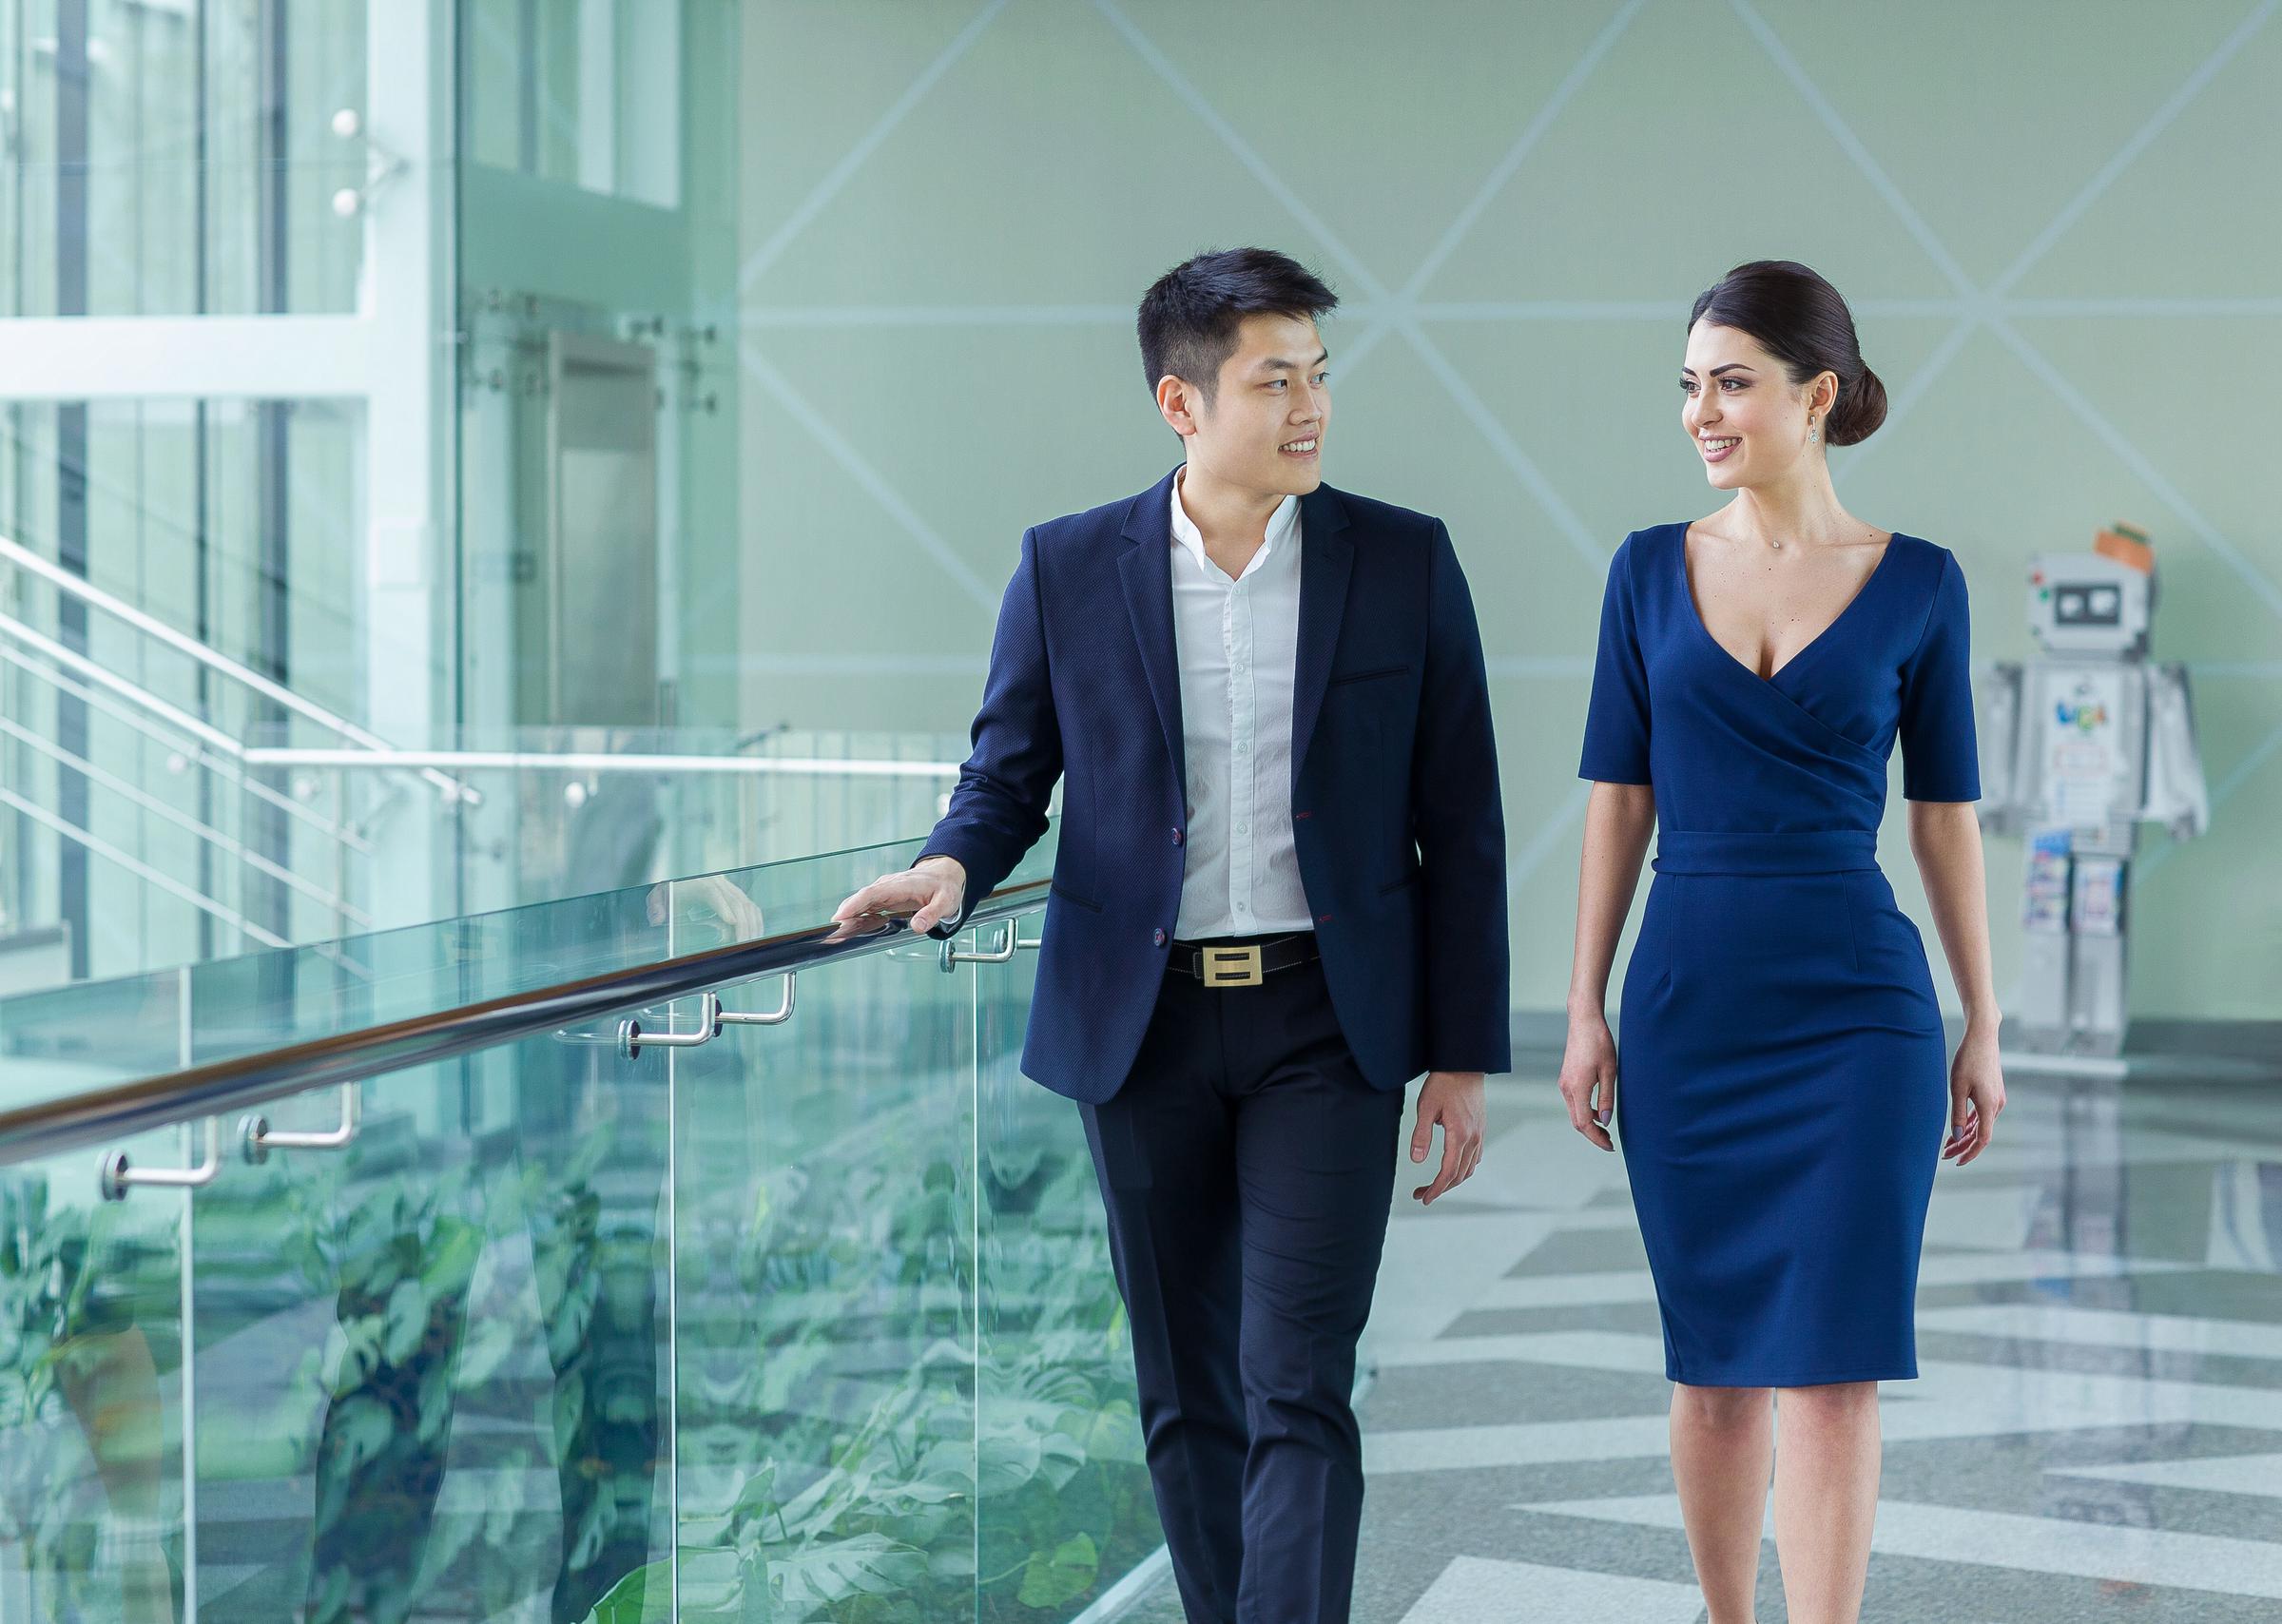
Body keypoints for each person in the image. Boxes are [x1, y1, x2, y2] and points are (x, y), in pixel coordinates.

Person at [831, 246, 1509, 1623]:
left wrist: (1461, 1053)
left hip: (1331, 1020)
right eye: (1276, 382)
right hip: (1139, 1027)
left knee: (1299, 1375)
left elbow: (1465, 821)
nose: (1311, 406)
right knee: (1186, 1391)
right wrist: (948, 866)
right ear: (1181, 402)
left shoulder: (1404, 561)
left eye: (1320, 376)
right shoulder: (1070, 566)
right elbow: (1009, 773)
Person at [1560, 259, 2006, 1624]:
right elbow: (1617, 801)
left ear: (1818, 396)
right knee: (1712, 1360)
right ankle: (1726, 1615)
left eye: (1733, 383)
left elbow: (1944, 822)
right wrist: (1583, 1005)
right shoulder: (1644, 572)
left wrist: (1981, 1021)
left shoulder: (1922, 584)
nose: (1703, 412)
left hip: (1861, 1012)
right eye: (1690, 386)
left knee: (1834, 1362)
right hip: (1692, 1000)